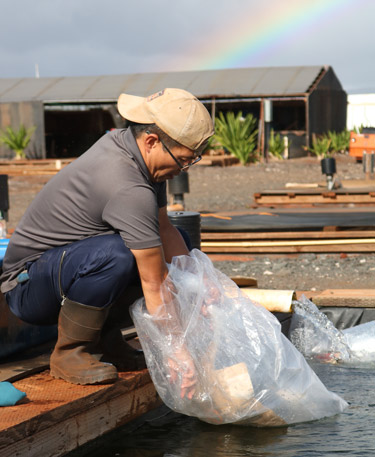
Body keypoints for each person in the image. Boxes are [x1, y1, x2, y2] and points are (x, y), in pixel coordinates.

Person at [0, 88, 214, 397]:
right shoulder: (126, 183)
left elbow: (166, 230)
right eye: (183, 160)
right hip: (27, 287)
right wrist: (178, 354)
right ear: (152, 141)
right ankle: (70, 352)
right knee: (120, 256)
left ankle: (107, 341)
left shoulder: (142, 161)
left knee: (173, 241)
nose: (182, 169)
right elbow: (154, 281)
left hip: (68, 267)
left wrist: (201, 287)